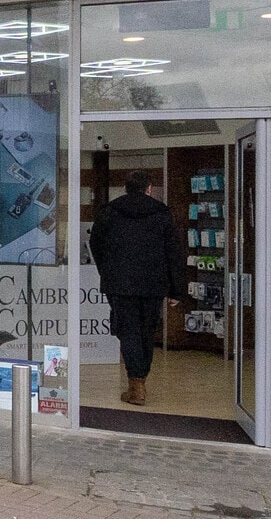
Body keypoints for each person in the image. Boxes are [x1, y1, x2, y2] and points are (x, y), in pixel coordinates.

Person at [88, 170, 188, 407]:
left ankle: (137, 385)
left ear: (126, 188)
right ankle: (140, 380)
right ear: (149, 188)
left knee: (128, 331)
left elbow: (95, 243)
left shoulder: (110, 211)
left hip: (120, 284)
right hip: (153, 285)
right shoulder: (162, 214)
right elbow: (174, 252)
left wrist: (108, 271)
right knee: (146, 332)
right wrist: (176, 290)